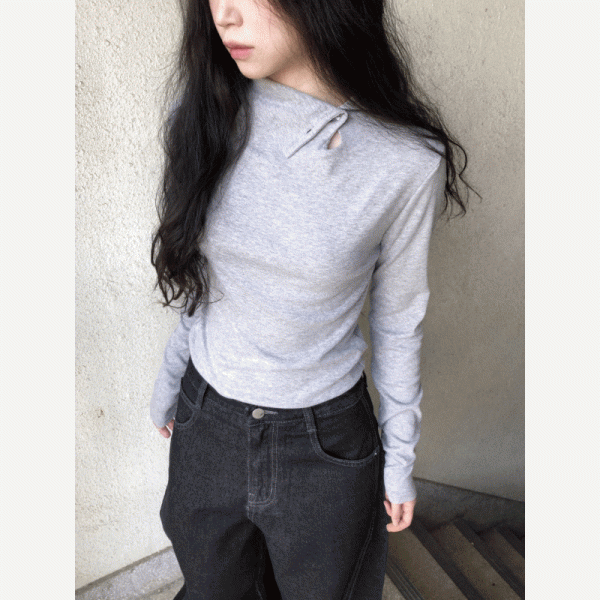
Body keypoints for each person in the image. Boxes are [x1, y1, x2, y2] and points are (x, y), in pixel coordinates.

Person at [149, 1, 475, 598]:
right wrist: (172, 377)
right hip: (206, 419)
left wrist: (399, 458)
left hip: (323, 446)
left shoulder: (404, 160)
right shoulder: (206, 115)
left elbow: (399, 320)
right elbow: (207, 283)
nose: (224, 16)